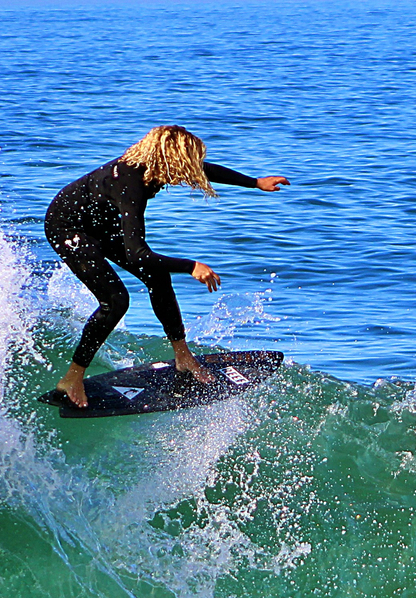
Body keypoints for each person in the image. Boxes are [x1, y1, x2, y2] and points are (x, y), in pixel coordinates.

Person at [45, 125, 289, 408]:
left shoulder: (153, 165)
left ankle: (183, 357)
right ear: (169, 159)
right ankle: (71, 378)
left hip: (101, 221)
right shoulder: (130, 184)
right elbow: (137, 254)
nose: (189, 172)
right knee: (116, 300)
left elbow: (203, 169)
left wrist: (255, 182)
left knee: (157, 275)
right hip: (68, 226)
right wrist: (190, 266)